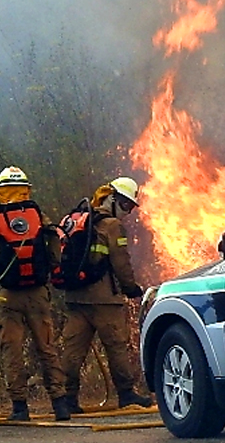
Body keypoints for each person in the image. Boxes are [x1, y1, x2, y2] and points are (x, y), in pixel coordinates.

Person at [60, 177, 152, 414]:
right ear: (111, 199)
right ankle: (126, 393)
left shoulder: (81, 219)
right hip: (104, 301)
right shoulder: (111, 225)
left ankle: (67, 398)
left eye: (130, 208)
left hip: (76, 298)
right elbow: (121, 262)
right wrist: (131, 288)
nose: (127, 212)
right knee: (116, 346)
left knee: (72, 350)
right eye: (125, 205)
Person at [0, 166, 70, 421]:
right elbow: (54, 250)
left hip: (8, 294)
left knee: (12, 350)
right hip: (38, 292)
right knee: (47, 348)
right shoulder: (37, 214)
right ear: (26, 189)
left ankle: (20, 408)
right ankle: (60, 405)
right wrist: (49, 272)